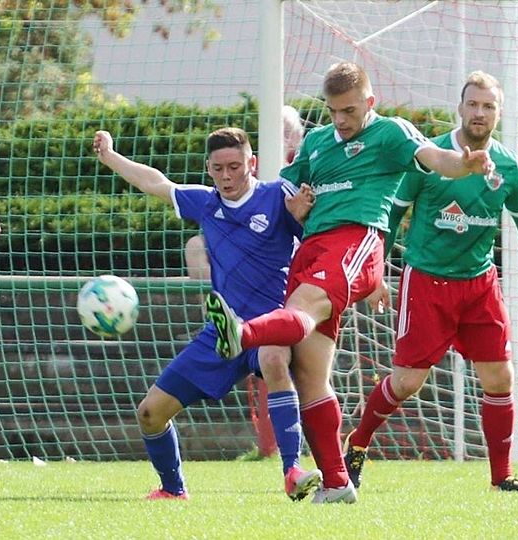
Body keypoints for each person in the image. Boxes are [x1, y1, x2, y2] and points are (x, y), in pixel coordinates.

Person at [205, 61, 496, 504]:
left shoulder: (390, 133)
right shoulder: (318, 142)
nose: (341, 120)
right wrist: (292, 206)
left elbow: (435, 159)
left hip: (356, 240)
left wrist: (464, 163)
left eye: (349, 111)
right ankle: (338, 482)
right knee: (310, 372)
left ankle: (241, 332)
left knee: (301, 308)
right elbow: (283, 190)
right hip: (312, 249)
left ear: (369, 103)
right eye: (333, 110)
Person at [342, 70, 518, 492]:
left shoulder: (509, 169)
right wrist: (374, 273)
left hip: (479, 285)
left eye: (488, 106)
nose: (479, 113)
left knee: (501, 379)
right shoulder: (429, 158)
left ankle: (502, 478)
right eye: (473, 104)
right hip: (427, 282)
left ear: (498, 113)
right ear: (460, 108)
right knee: (407, 383)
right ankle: (357, 443)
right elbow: (389, 218)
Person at [92, 127, 321, 501]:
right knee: (150, 413)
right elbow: (156, 182)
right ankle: (172, 489)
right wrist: (111, 157)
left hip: (269, 326)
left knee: (275, 357)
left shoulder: (277, 196)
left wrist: (302, 218)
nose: (227, 176)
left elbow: (317, 228)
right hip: (221, 330)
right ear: (209, 169)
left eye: (235, 166)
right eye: (218, 169)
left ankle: (292, 470)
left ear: (253, 163)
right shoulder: (205, 203)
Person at [184, 105, 305, 280]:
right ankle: (218, 304)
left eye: (287, 132)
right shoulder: (245, 166)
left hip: (279, 240)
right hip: (232, 234)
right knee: (194, 246)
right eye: (278, 129)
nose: (281, 137)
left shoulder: (303, 166)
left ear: (298, 136)